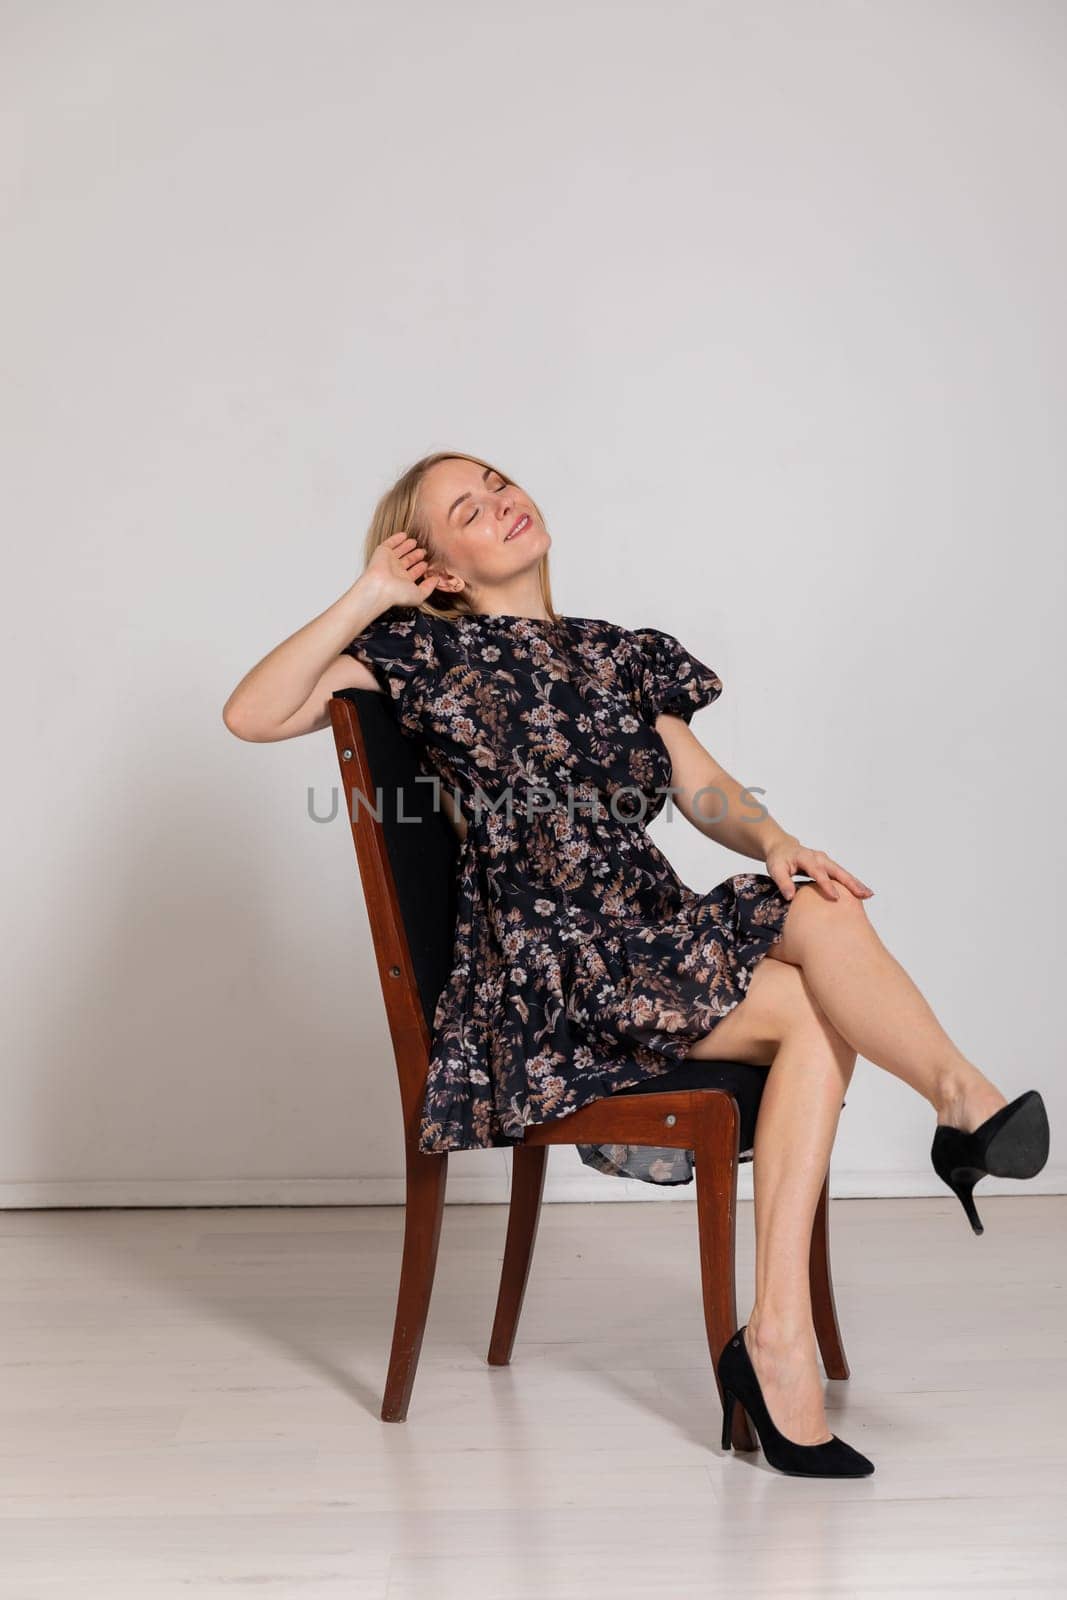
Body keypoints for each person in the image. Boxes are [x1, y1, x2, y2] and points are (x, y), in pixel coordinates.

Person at [222, 450, 1049, 1478]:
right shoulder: (415, 653)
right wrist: (371, 591)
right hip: (546, 973)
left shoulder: (621, 653)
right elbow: (251, 714)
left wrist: (777, 843)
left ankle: (881, 1203)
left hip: (642, 931)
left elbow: (702, 790)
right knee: (808, 997)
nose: (501, 504)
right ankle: (923, 1156)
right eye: (465, 511)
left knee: (815, 910)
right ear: (436, 564)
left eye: (497, 481)